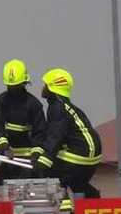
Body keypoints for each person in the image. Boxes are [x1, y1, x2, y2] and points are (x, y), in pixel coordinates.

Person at [32, 69, 102, 198]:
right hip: (92, 154)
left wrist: (43, 161)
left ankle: (64, 208)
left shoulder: (57, 107)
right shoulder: (68, 107)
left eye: (45, 85)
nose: (42, 88)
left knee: (51, 174)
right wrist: (40, 151)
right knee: (76, 182)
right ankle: (92, 198)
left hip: (81, 154)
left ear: (52, 88)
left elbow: (55, 136)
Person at [0, 59, 45, 184]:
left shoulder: (34, 105)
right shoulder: (1, 101)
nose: (12, 89)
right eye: (10, 86)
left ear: (24, 83)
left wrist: (35, 155)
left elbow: (40, 133)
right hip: (9, 158)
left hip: (28, 159)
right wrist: (4, 148)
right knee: (1, 189)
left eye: (15, 86)